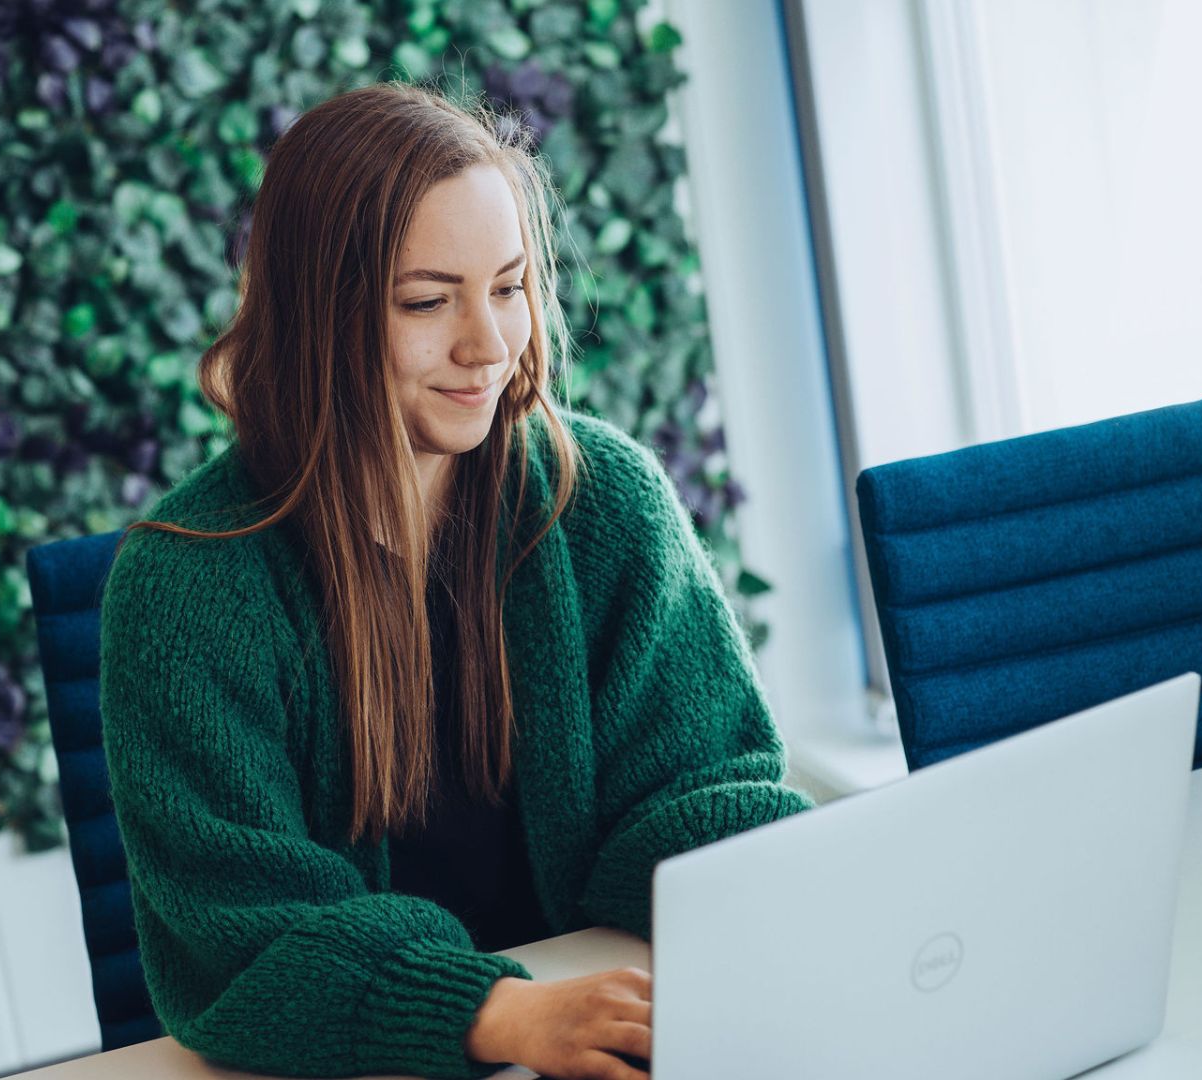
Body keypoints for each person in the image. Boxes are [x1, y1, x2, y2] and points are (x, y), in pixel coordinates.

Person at [98, 81, 815, 1080]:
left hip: (612, 1036)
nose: (488, 346)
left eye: (511, 286)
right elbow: (246, 938)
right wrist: (503, 1016)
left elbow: (705, 789)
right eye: (428, 302)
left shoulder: (604, 500)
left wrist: (806, 889)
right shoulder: (187, 584)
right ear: (318, 316)